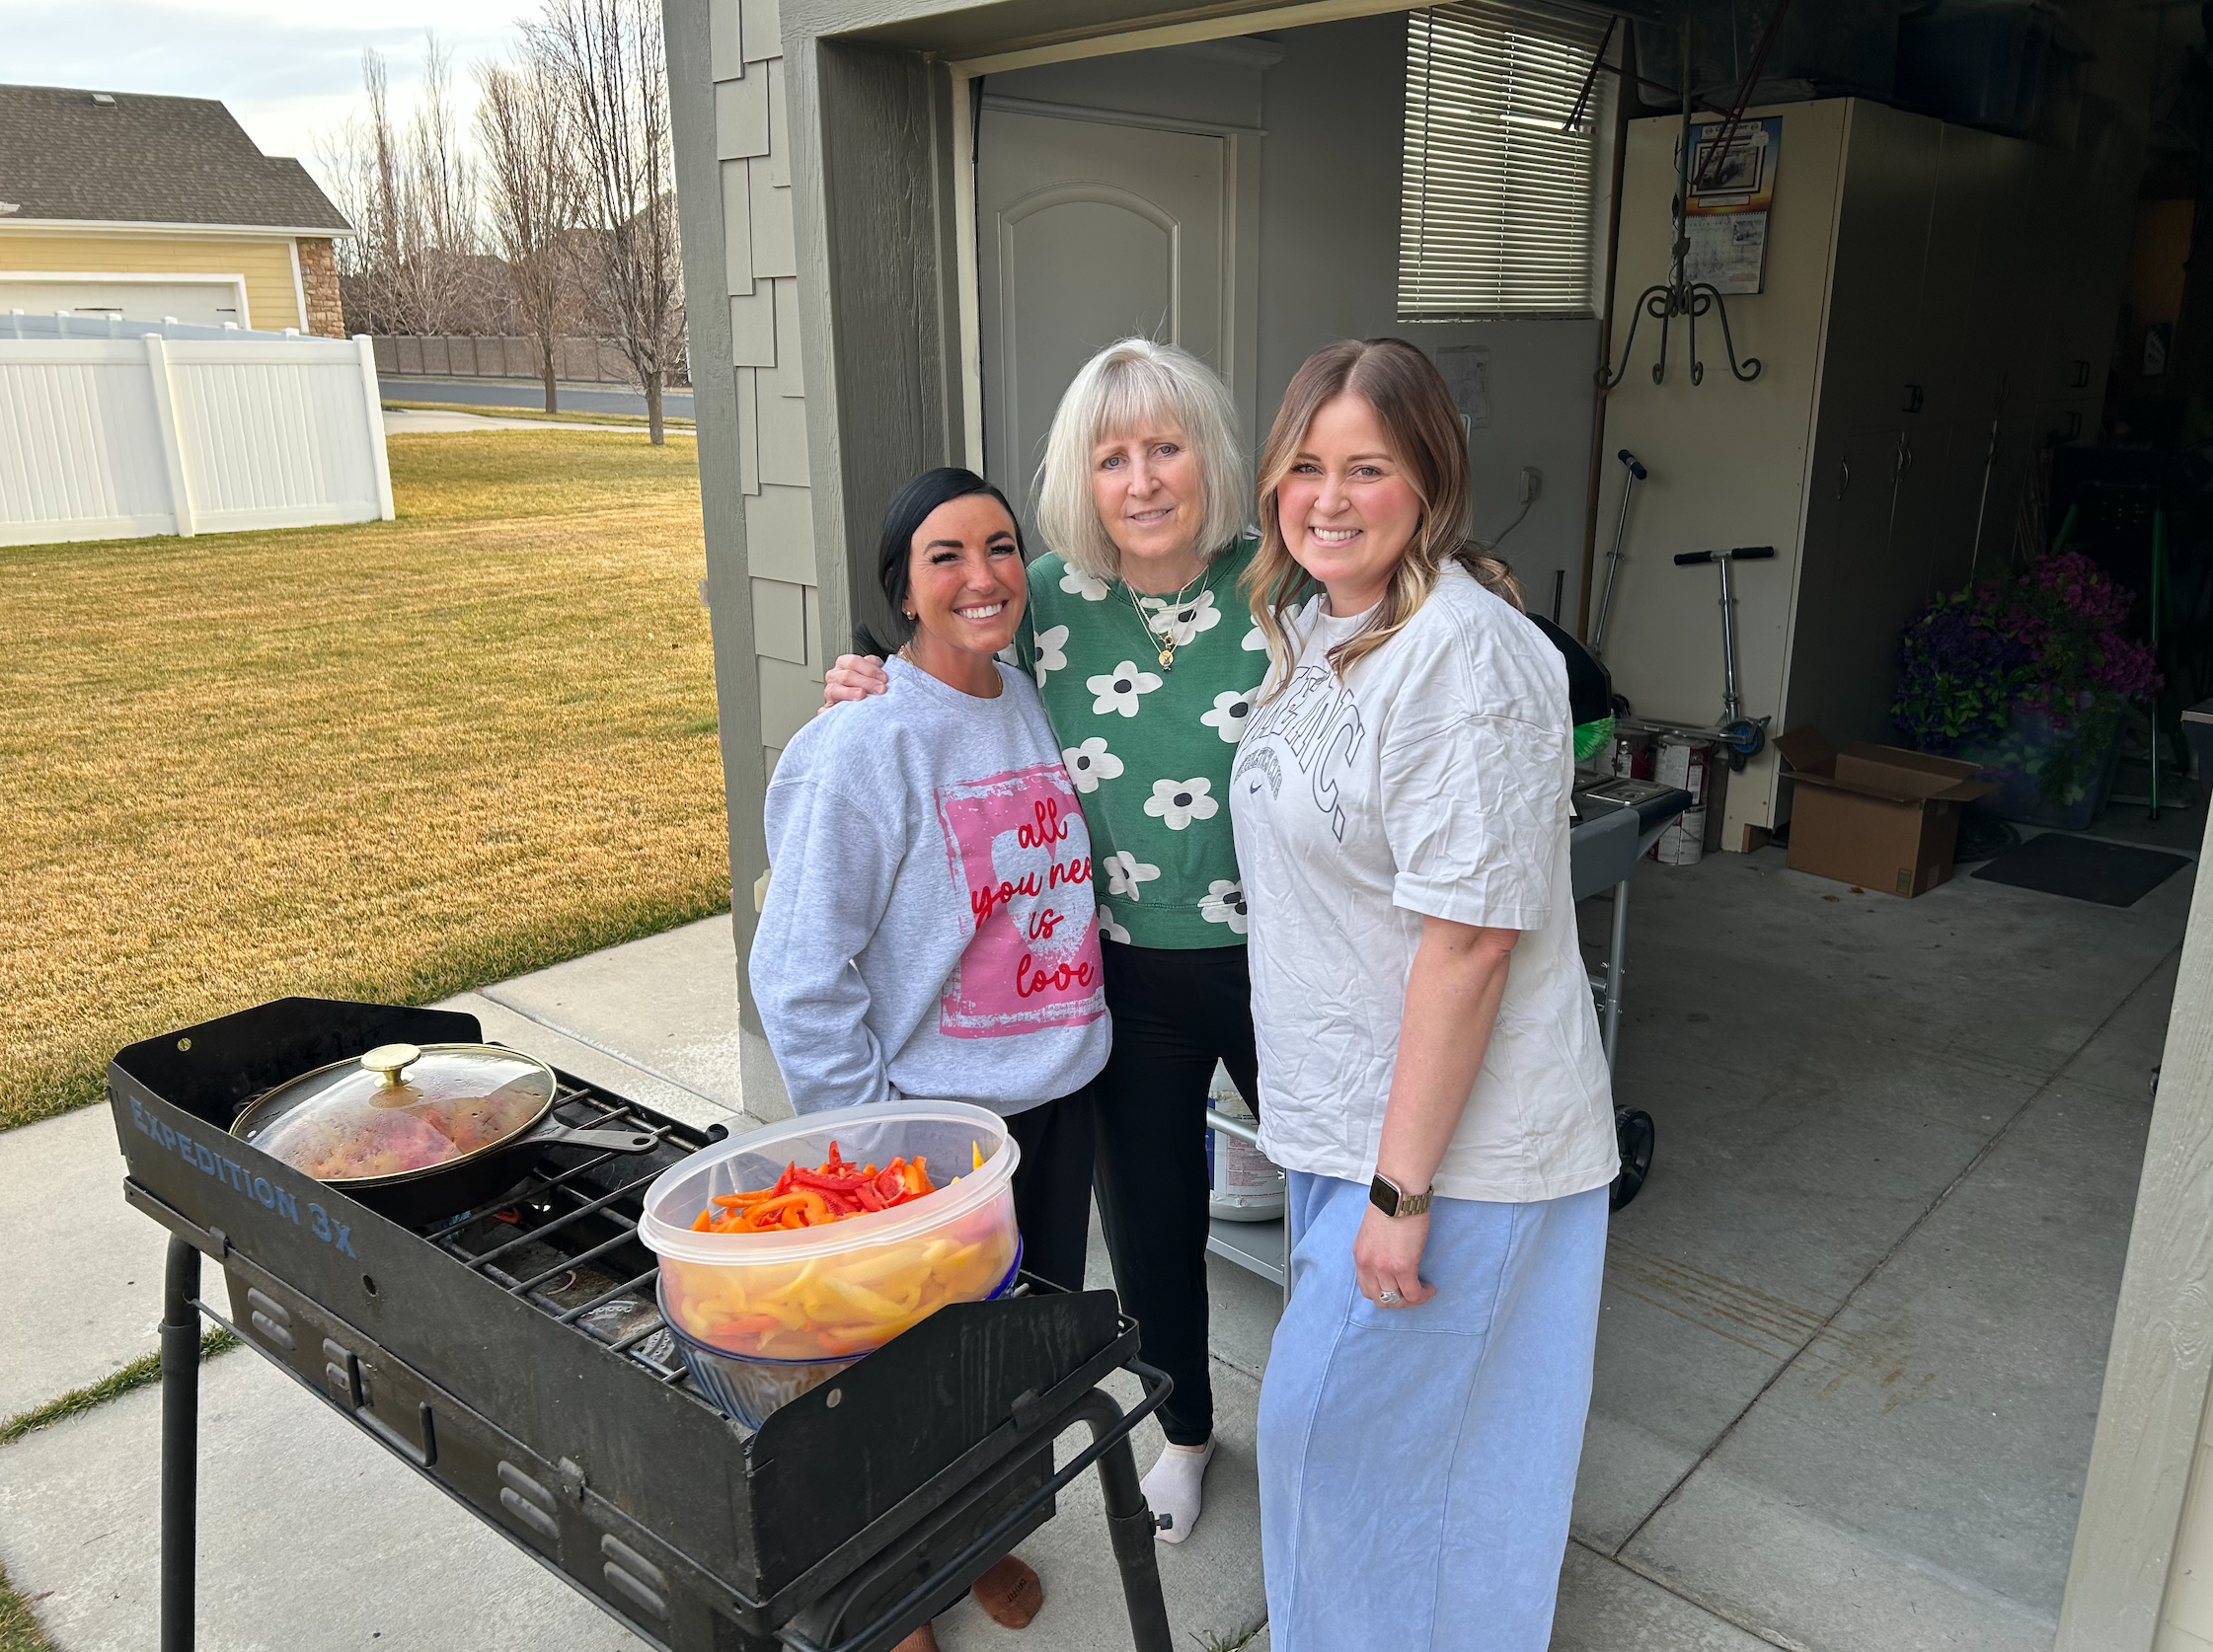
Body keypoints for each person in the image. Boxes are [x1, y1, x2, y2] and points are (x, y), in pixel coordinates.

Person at [823, 338, 1261, 1542]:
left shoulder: (1281, 581)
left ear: (1206, 456)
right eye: (1111, 456)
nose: (1142, 481)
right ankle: (1182, 1429)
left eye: (1165, 447)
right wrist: (867, 680)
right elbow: (946, 662)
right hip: (1126, 979)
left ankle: (1351, 1421)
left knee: (1338, 1199)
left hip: (1287, 962)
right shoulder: (1047, 601)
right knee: (1156, 1225)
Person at [1230, 338, 1618, 1651]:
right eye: (1304, 466)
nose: (1327, 497)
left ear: (1429, 481)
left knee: (1332, 1433)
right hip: (1352, 1124)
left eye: (1366, 468)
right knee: (1406, 1458)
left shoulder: (1468, 653)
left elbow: (1471, 943)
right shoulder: (1322, 624)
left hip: (1458, 1153)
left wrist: (1400, 1193)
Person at [752, 467, 1110, 1651]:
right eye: (945, 555)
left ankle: (977, 1536)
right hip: (934, 1133)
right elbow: (800, 968)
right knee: (901, 1388)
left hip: (1054, 1103)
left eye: (1000, 548)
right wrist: (869, 1144)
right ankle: (885, 1597)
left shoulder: (1035, 698)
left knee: (1002, 1371)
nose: (980, 576)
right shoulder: (866, 739)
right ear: (901, 588)